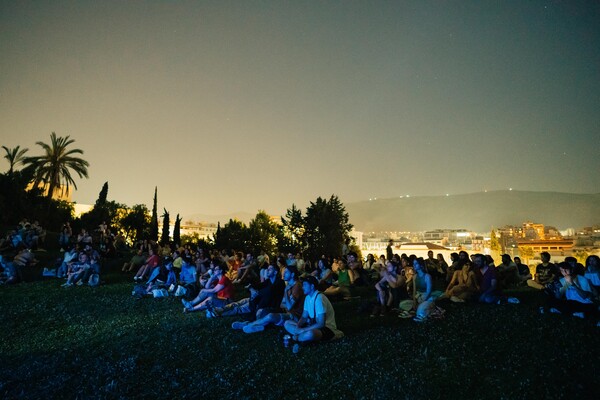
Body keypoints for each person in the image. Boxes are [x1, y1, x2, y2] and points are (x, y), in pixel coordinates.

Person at [235, 265, 305, 333]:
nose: (283, 273)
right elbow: (283, 302)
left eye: (286, 272)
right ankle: (255, 325)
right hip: (284, 309)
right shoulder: (289, 285)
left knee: (268, 314)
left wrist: (286, 292)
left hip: (293, 315)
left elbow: (289, 307)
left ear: (292, 274)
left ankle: (249, 324)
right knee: (261, 311)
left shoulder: (297, 287)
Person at [284, 275, 343, 346]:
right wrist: (298, 326)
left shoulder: (319, 298)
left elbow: (321, 324)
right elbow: (304, 317)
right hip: (312, 325)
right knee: (287, 323)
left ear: (312, 286)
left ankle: (295, 338)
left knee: (310, 334)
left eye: (305, 285)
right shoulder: (307, 298)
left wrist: (303, 330)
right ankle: (300, 337)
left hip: (326, 328)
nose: (303, 287)